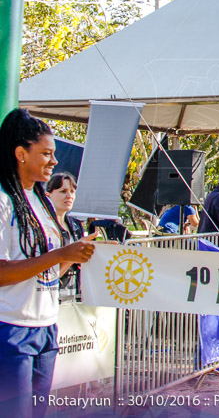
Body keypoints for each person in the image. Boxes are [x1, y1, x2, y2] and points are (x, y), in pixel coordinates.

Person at [0, 109, 98, 417]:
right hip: (11, 330)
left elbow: (48, 270)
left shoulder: (40, 200)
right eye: (46, 153)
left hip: (46, 329)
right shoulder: (4, 199)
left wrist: (77, 254)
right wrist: (59, 254)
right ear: (20, 153)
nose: (54, 161)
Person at [44, 172, 84, 294]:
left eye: (72, 191)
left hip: (73, 294)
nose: (69, 196)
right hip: (50, 293)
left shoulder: (76, 225)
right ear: (48, 195)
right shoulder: (43, 225)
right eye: (63, 191)